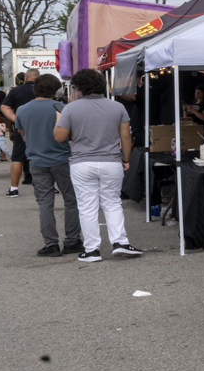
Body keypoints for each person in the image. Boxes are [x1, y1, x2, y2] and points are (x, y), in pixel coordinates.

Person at [54, 69, 141, 262]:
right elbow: (126, 137)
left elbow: (59, 137)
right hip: (111, 161)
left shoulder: (70, 108)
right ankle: (120, 242)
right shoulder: (117, 107)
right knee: (112, 203)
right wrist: (126, 159)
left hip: (82, 162)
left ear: (78, 88)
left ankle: (92, 250)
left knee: (87, 206)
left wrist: (59, 118)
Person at [16, 73, 82, 257]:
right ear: (55, 90)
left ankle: (50, 243)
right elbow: (71, 134)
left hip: (37, 160)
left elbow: (22, 134)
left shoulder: (22, 109)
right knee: (71, 200)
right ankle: (72, 240)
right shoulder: (62, 108)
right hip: (62, 159)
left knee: (45, 203)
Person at [1, 69, 37, 197]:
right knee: (44, 156)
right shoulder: (44, 90)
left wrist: (17, 119)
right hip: (42, 127)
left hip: (21, 127)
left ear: (26, 77)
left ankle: (14, 188)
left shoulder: (16, 91)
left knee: (18, 158)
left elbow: (4, 107)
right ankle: (50, 186)